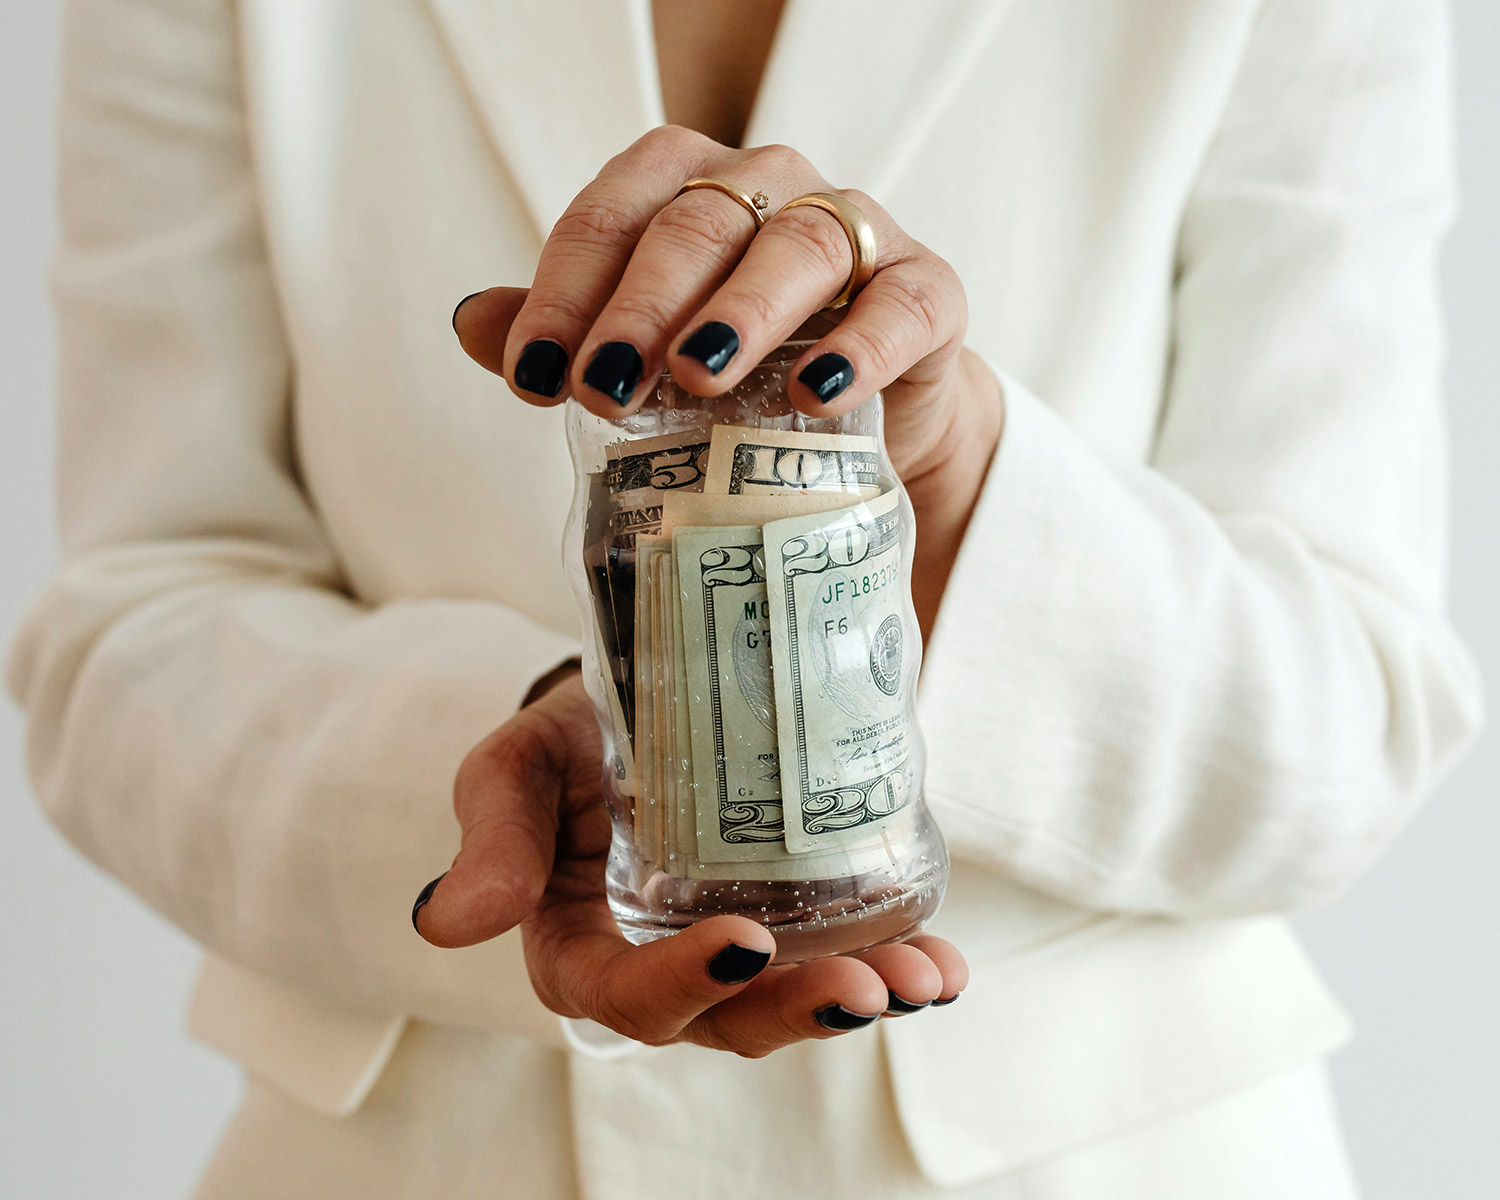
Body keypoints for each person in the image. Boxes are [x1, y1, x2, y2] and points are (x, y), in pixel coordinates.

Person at [9, 0, 1482, 1196]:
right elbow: (133, 628)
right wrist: (566, 733)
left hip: (1103, 1156)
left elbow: (1353, 708)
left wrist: (963, 492)